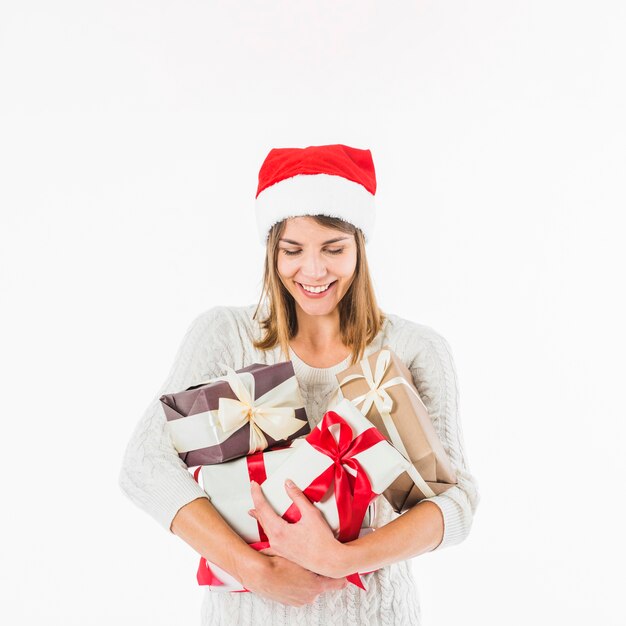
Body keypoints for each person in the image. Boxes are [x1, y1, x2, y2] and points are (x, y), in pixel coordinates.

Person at [119, 143, 480, 625]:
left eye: (334, 249)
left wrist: (340, 559)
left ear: (361, 247)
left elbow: (456, 502)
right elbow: (144, 465)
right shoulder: (226, 335)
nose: (313, 271)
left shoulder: (415, 349)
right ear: (272, 251)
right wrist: (253, 568)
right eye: (293, 250)